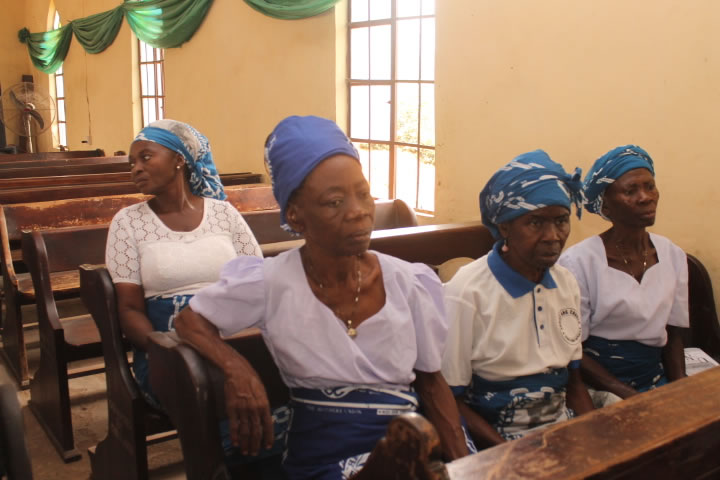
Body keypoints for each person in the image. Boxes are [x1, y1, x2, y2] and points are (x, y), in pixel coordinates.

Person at [174, 115, 472, 480]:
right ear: (296, 216)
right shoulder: (272, 281)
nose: (358, 212)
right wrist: (237, 368)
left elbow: (431, 382)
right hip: (325, 451)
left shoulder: (407, 281)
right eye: (334, 202)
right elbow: (188, 321)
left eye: (363, 194)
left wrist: (464, 465)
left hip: (410, 433)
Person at [105, 119, 263, 404]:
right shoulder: (127, 222)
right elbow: (129, 309)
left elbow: (258, 281)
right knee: (220, 394)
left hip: (234, 335)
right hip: (168, 345)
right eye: (131, 163)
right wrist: (166, 352)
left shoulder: (223, 213)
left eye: (145, 157)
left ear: (179, 159)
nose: (135, 168)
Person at [441, 150, 594, 444]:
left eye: (561, 220)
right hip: (493, 439)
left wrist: (592, 442)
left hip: (558, 429)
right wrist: (507, 454)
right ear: (504, 227)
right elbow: (450, 400)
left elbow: (574, 384)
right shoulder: (466, 292)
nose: (553, 236)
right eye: (536, 223)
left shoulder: (566, 283)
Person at [558, 145, 687, 403]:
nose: (645, 197)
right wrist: (632, 397)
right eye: (631, 191)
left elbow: (673, 335)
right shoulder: (578, 262)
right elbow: (572, 351)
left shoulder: (672, 254)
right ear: (605, 205)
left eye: (650, 186)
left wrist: (681, 390)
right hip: (598, 387)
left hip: (654, 379)